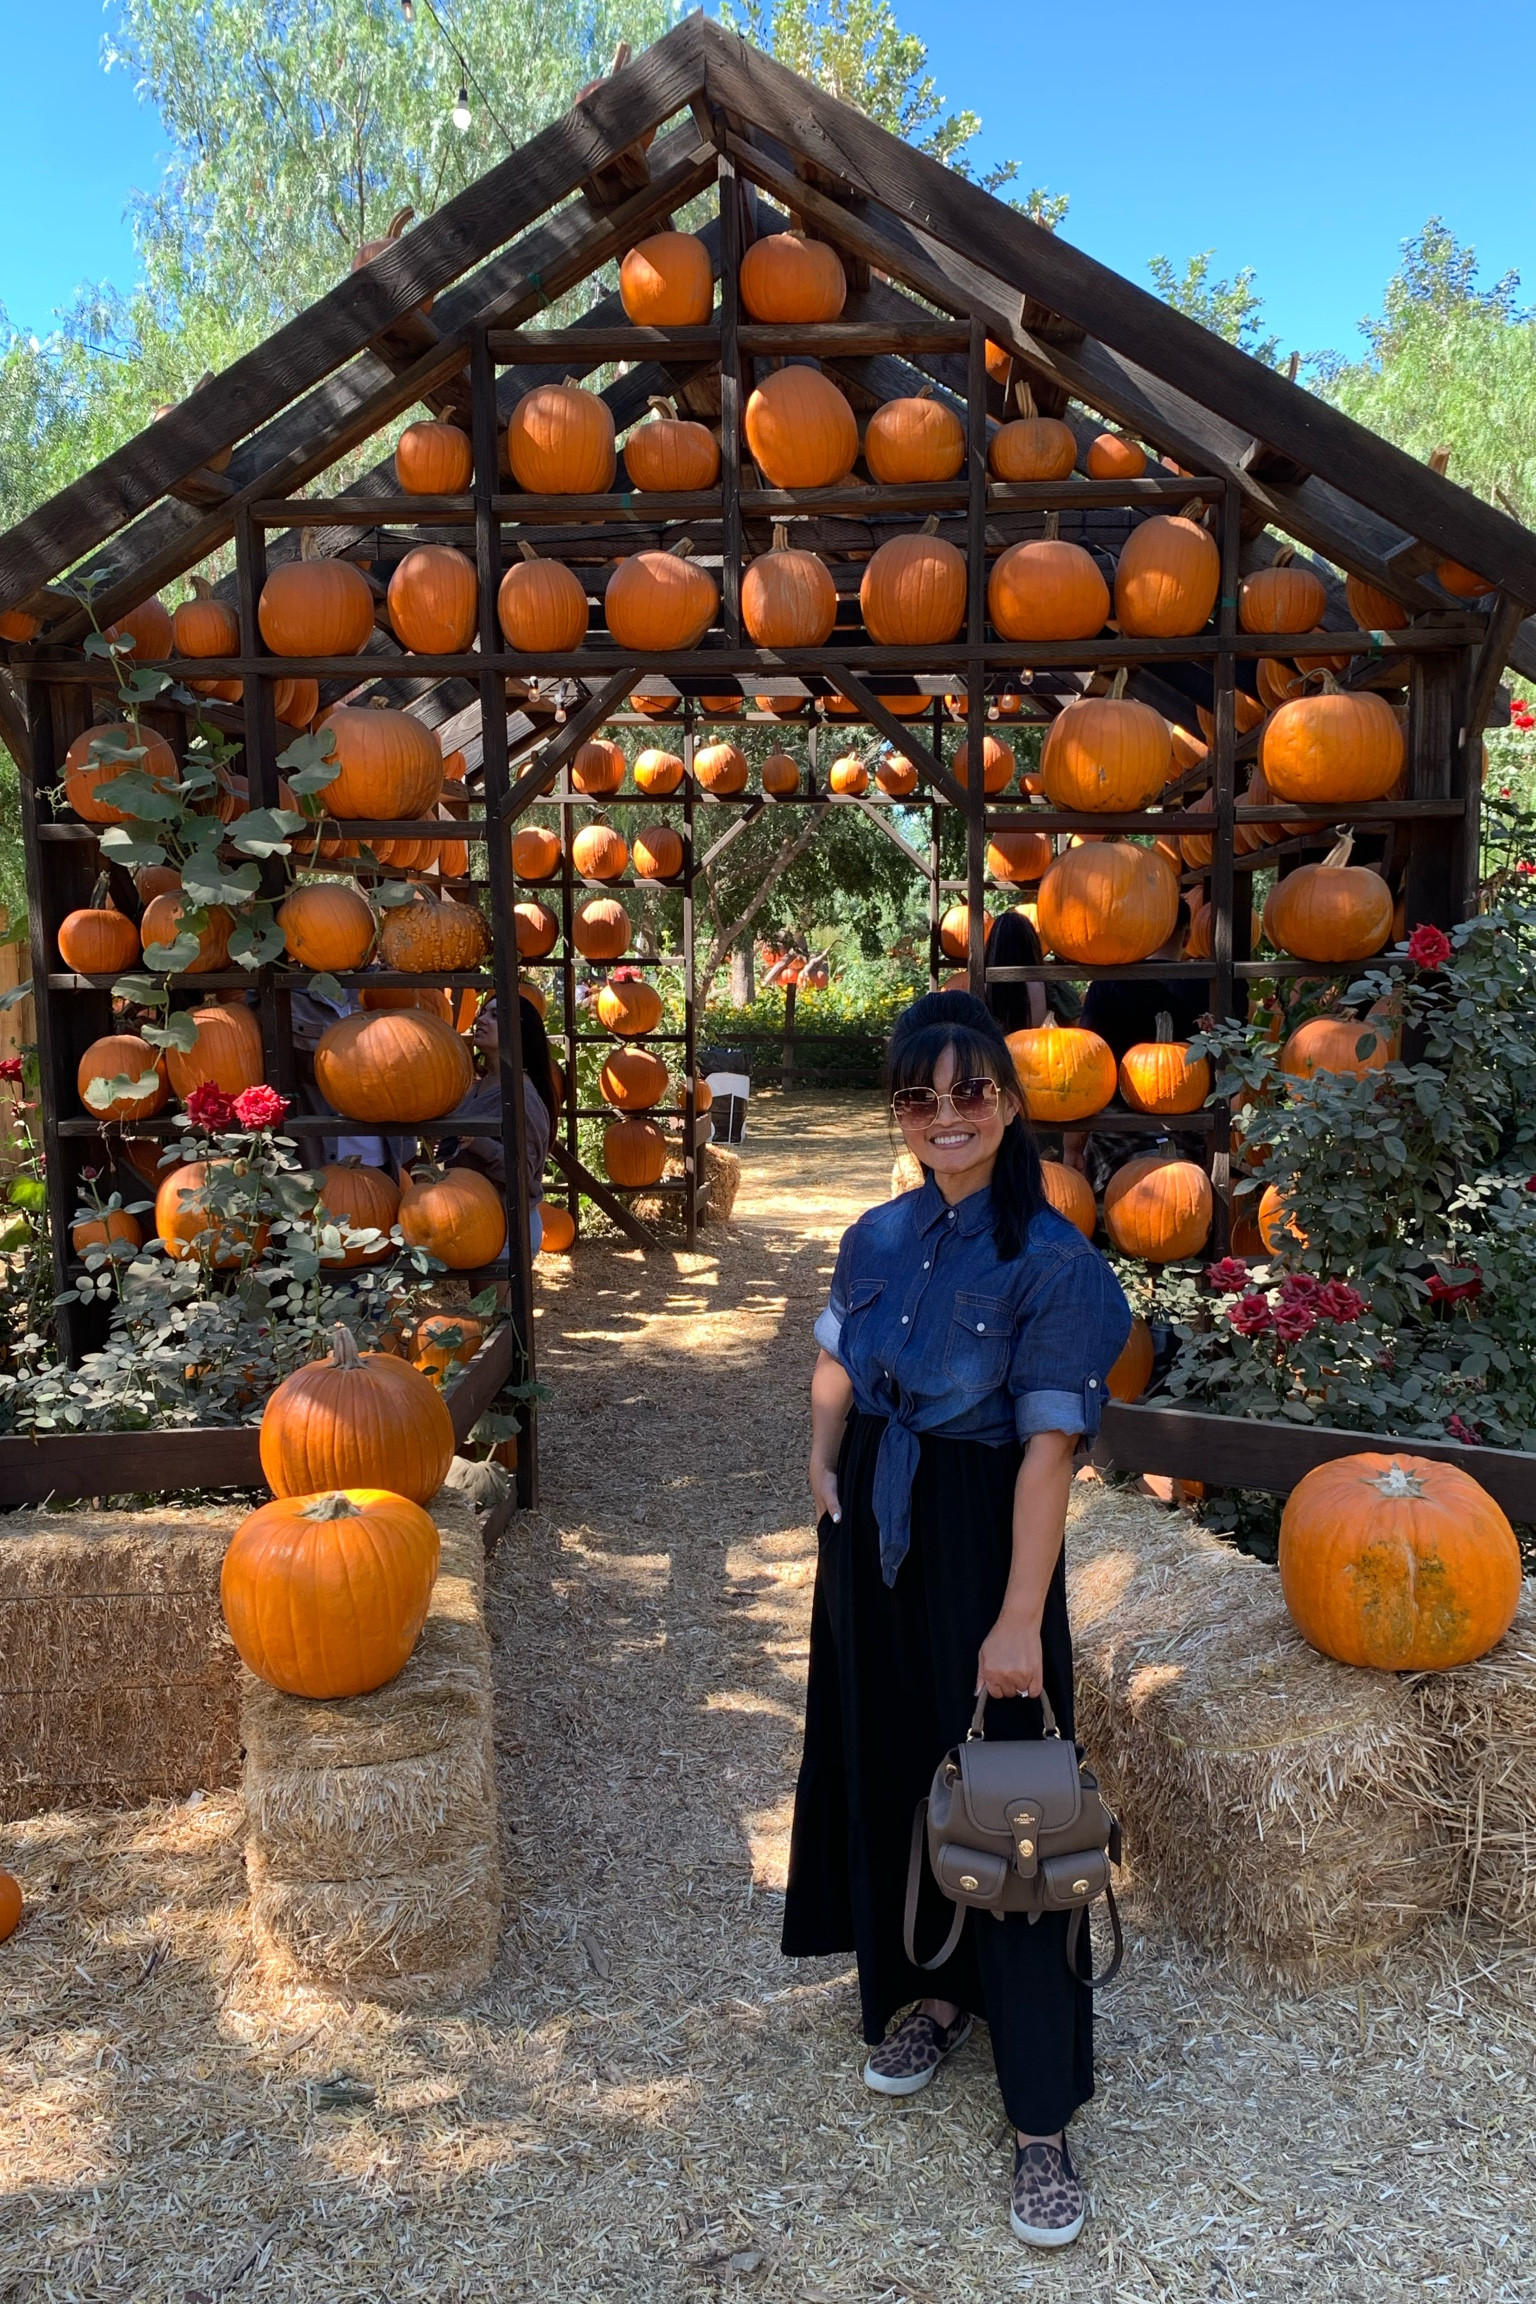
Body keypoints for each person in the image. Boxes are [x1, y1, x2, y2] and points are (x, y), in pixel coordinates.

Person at [785, 989, 1132, 2250]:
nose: (945, 1115)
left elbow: (1048, 1457)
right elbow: (837, 1352)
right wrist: (824, 1452)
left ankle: (1041, 2118)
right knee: (890, 1770)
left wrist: (1017, 1621)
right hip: (871, 1540)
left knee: (1013, 1801)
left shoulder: (1054, 1258)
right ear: (897, 1109)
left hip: (984, 1540)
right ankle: (927, 1993)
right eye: (919, 1096)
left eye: (970, 1092)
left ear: (1010, 1100)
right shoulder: (875, 1234)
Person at [440, 994, 555, 1255]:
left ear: (520, 1032)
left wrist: (478, 1141)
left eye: (495, 1016)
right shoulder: (478, 1086)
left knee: (500, 1298)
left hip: (506, 1225)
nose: (481, 1019)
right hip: (475, 1219)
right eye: (482, 1012)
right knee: (483, 1298)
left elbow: (522, 1174)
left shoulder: (522, 1096)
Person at [983, 908, 1079, 1035]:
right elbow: (1076, 1018)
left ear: (993, 946)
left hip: (996, 1053)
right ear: (1032, 944)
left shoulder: (981, 987)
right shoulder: (1050, 985)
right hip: (1039, 1051)